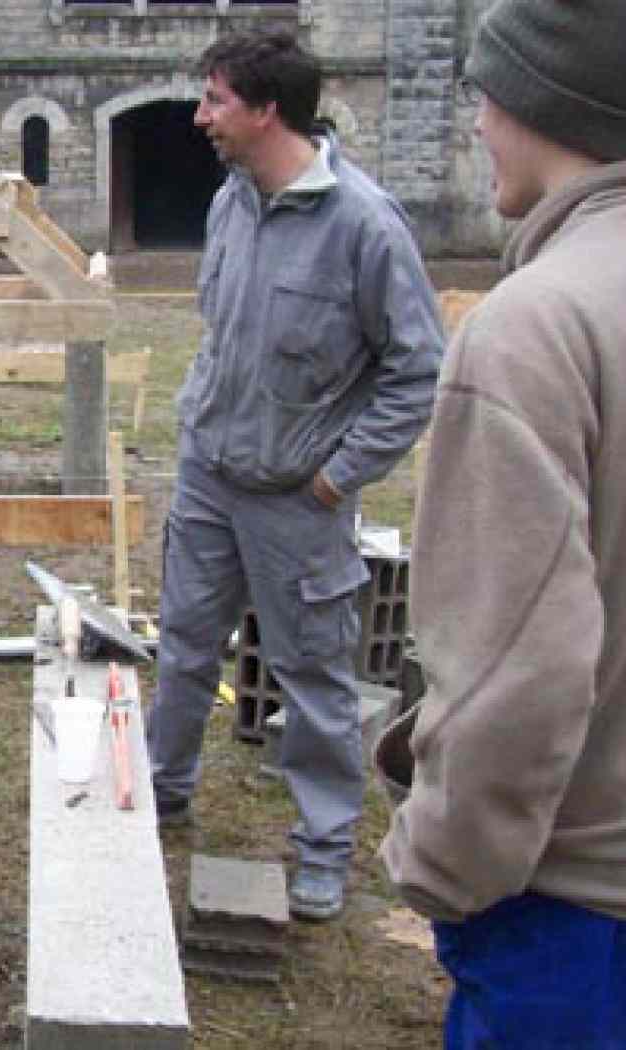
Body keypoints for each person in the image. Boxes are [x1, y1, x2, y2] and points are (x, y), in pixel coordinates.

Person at [145, 30, 442, 920]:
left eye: (214, 100)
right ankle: (165, 789)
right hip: (209, 476)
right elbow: (220, 328)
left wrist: (336, 477)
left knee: (312, 678)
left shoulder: (364, 225)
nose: (200, 117)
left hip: (297, 503)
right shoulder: (231, 203)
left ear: (268, 109)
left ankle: (321, 848)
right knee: (186, 646)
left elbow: (417, 371)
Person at [378, 0, 626, 1043]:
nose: (476, 122)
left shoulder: (535, 327)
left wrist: (438, 866)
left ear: (538, 102)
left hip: (571, 916)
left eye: (486, 92)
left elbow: (519, 669)